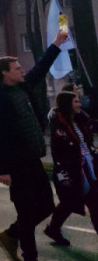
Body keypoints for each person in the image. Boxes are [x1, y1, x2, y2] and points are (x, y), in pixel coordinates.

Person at [0, 29, 68, 261]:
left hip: (32, 158)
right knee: (25, 209)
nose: (22, 70)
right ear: (5, 74)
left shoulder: (22, 86)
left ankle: (11, 235)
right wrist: (2, 168)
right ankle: (31, 259)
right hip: (15, 162)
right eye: (17, 68)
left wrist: (56, 44)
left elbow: (40, 68)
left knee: (46, 205)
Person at [44, 91, 98, 245]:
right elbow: (57, 152)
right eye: (76, 102)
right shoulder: (59, 125)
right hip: (74, 170)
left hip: (89, 167)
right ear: (68, 104)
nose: (80, 104)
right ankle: (53, 229)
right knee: (72, 203)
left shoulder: (81, 120)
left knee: (82, 203)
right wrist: (62, 173)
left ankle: (53, 229)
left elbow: (87, 142)